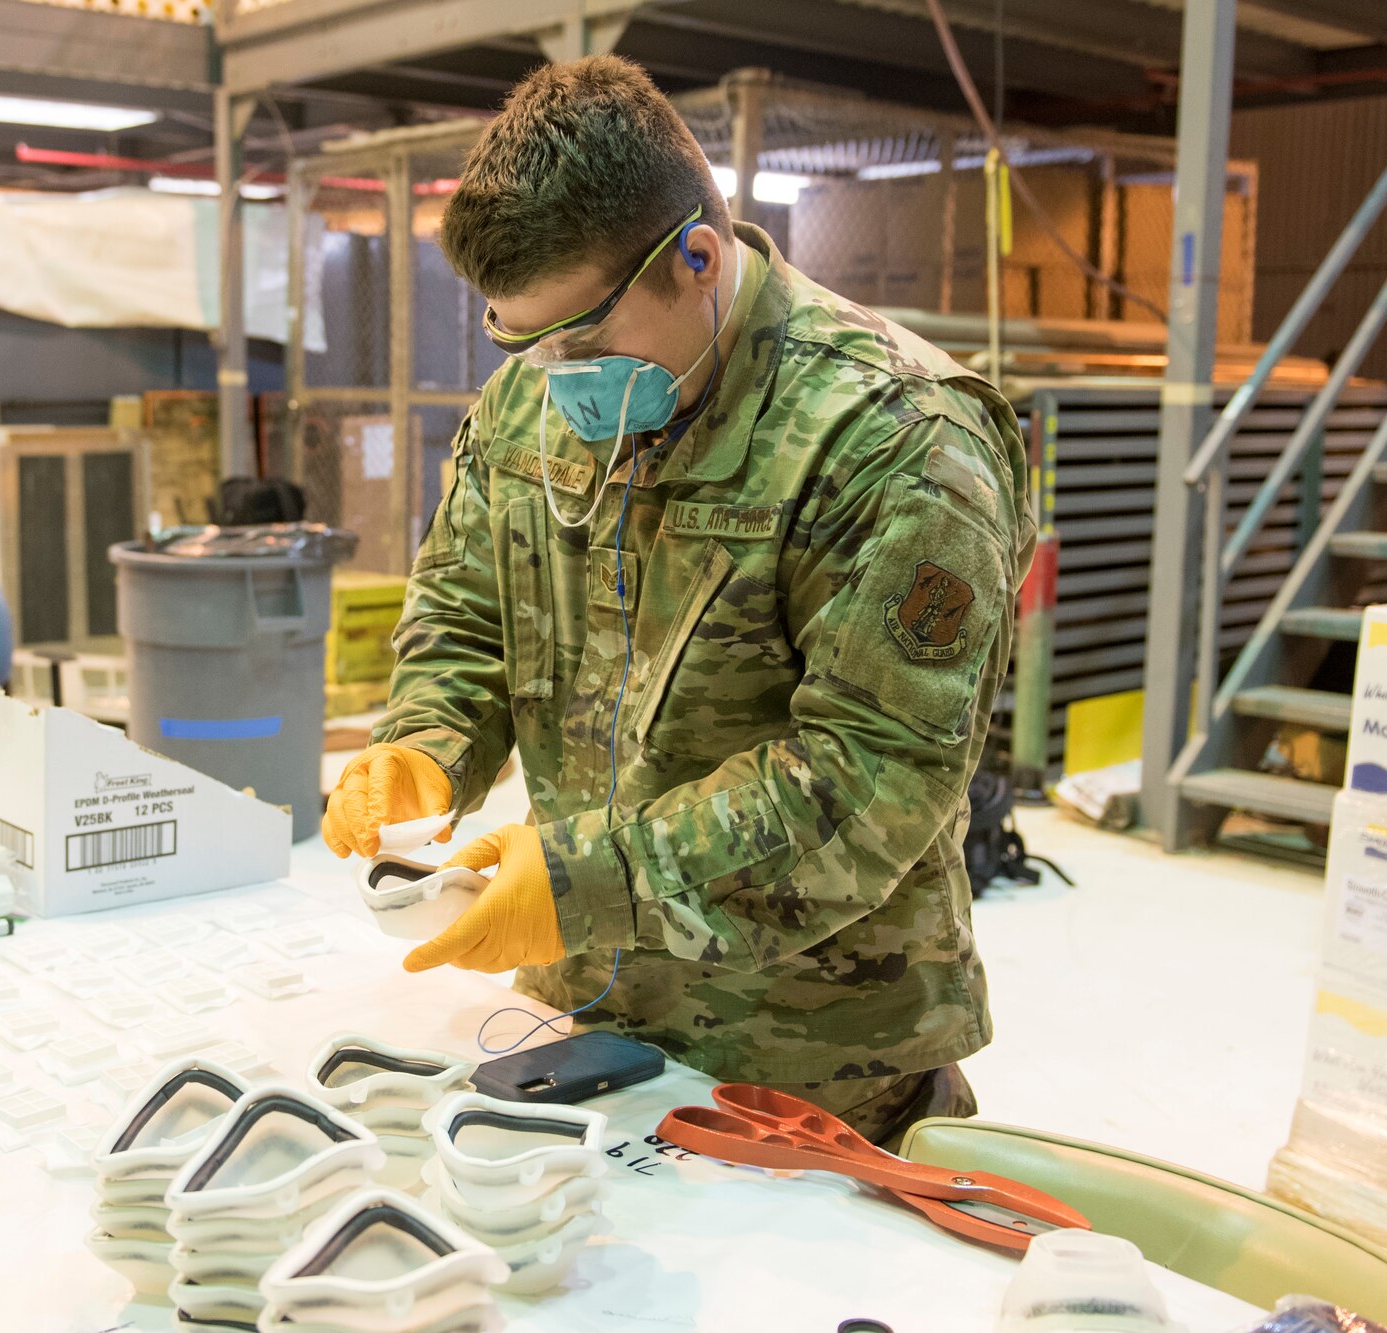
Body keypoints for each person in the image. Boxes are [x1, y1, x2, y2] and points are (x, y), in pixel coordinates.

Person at [321, 56, 1034, 1147]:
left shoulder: (897, 440)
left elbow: (868, 783)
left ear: (695, 258)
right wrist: (425, 744)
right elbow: (468, 609)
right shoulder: (538, 395)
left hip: (811, 1073)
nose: (554, 376)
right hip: (578, 1024)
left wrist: (581, 877)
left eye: (582, 341)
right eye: (523, 343)